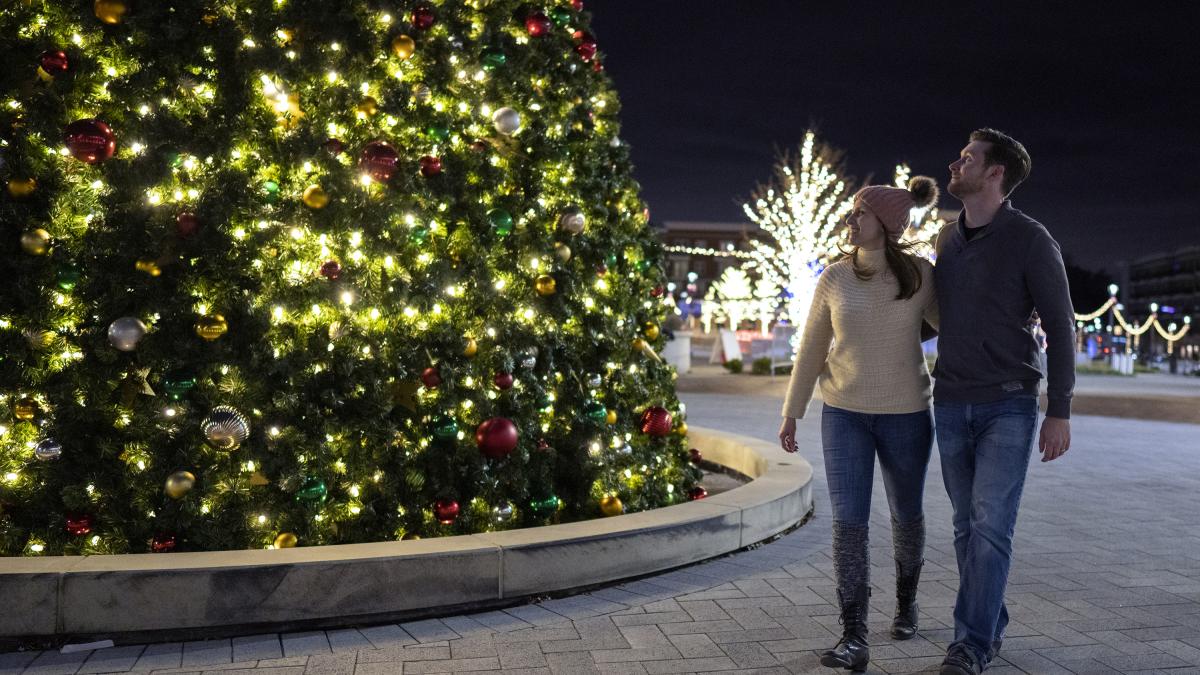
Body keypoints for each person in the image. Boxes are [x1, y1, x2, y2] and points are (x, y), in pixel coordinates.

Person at [779, 176, 940, 671]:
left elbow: (952, 326)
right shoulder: (834, 277)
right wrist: (792, 411)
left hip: (908, 415)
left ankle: (907, 603)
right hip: (844, 412)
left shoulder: (920, 275)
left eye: (860, 214)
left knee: (906, 514)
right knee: (849, 522)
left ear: (888, 224)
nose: (850, 220)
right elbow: (811, 348)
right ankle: (853, 636)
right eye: (851, 213)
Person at [933, 129, 1075, 675]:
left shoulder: (1030, 239)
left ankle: (968, 645)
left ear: (994, 174)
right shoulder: (947, 238)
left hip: (1009, 404)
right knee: (966, 526)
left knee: (991, 523)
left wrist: (1059, 408)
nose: (956, 162)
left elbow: (1060, 327)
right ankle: (989, 616)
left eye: (967, 158)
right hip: (949, 400)